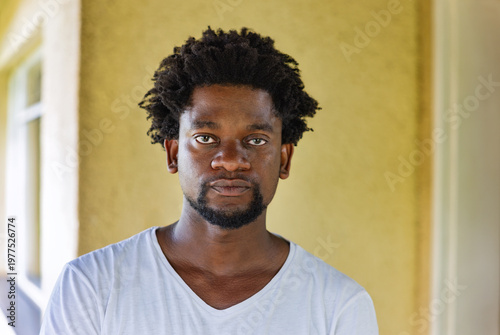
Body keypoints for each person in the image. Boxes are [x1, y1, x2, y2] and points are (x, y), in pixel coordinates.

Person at [40, 27, 378, 334]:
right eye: (205, 138)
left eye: (256, 140)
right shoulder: (90, 286)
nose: (231, 160)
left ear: (284, 159)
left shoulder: (338, 305)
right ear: (172, 154)